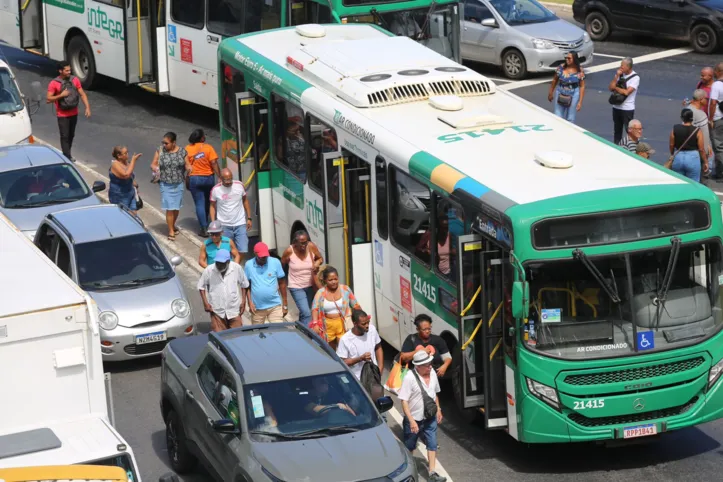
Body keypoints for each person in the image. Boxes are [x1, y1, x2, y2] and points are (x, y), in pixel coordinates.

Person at [398, 350, 445, 482]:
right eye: (426, 364)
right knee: (410, 446)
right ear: (418, 366)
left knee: (432, 443)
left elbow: (435, 394)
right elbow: (404, 401)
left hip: (430, 417)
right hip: (414, 419)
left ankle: (432, 473)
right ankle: (409, 473)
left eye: (430, 363)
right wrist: (411, 421)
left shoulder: (433, 375)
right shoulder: (409, 378)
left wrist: (439, 409)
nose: (430, 366)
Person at [46, 61, 91, 161]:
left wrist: (87, 107)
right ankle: (67, 157)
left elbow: (82, 94)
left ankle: (67, 154)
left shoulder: (75, 80)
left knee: (71, 135)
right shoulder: (54, 83)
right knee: (64, 136)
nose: (69, 72)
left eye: (69, 70)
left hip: (74, 113)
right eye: (66, 70)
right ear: (60, 71)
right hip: (62, 115)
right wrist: (61, 95)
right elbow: (48, 99)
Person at [197, 249, 249, 332]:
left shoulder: (236, 268)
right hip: (217, 310)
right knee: (220, 338)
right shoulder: (209, 270)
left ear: (228, 261)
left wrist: (243, 302)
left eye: (222, 263)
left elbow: (244, 284)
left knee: (237, 336)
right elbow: (201, 287)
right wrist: (205, 303)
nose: (219, 265)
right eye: (218, 263)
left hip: (234, 310)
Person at [311, 266, 361, 350]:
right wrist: (315, 324)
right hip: (327, 326)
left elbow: (356, 305)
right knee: (331, 351)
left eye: (335, 279)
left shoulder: (345, 289)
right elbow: (315, 308)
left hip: (343, 325)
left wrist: (361, 318)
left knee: (344, 349)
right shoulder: (320, 293)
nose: (334, 282)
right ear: (325, 281)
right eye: (330, 280)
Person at [151, 132, 190, 241]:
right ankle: (171, 230)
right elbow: (153, 163)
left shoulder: (182, 152)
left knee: (176, 207)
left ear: (174, 143)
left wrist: (189, 168)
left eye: (166, 143)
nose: (164, 145)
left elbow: (187, 164)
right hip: (165, 183)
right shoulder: (160, 151)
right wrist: (155, 168)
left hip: (178, 183)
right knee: (169, 207)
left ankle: (172, 224)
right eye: (163, 142)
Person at [281, 230, 323, 327]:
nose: (304, 245)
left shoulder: (311, 246)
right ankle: (307, 336)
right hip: (296, 287)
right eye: (302, 243)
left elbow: (320, 258)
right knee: (307, 312)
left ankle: (300, 330)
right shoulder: (289, 251)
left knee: (305, 312)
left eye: (306, 242)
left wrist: (317, 263)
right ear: (295, 243)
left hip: (311, 285)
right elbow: (282, 265)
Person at [210, 168, 253, 263]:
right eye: (226, 180)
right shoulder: (216, 190)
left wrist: (249, 218)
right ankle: (229, 268)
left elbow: (245, 200)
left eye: (230, 179)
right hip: (224, 225)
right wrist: (213, 222)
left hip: (240, 223)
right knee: (225, 251)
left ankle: (234, 266)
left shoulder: (239, 185)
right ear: (221, 178)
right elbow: (212, 206)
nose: (229, 182)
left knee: (243, 249)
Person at [186, 128, 221, 237]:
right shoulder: (208, 148)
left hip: (194, 178)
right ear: (201, 138)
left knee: (199, 203)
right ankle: (210, 223)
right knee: (209, 202)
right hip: (208, 178)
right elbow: (214, 162)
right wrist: (220, 176)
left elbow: (185, 165)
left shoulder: (187, 149)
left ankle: (204, 228)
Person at [245, 242, 288, 324]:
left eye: (266, 256)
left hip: (275, 306)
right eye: (262, 257)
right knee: (258, 334)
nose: (264, 258)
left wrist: (285, 304)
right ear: (255, 254)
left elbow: (282, 283)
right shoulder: (248, 265)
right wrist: (249, 302)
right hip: (257, 308)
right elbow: (247, 286)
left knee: (278, 332)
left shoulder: (275, 262)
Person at [336, 309, 383, 381]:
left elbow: (378, 348)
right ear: (355, 324)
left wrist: (380, 368)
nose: (367, 326)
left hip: (373, 376)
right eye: (363, 324)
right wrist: (360, 358)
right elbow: (343, 362)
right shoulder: (345, 339)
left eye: (368, 322)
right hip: (357, 380)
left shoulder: (372, 330)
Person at [670, 109, 708, 182]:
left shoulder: (675, 128)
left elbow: (671, 144)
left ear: (682, 118)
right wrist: (705, 161)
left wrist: (672, 154)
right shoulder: (697, 130)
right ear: (692, 118)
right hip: (693, 158)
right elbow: (701, 149)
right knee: (693, 183)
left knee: (678, 182)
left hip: (678, 156)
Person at [547, 51, 585, 124]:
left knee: (570, 118)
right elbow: (555, 80)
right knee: (557, 117)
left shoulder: (580, 70)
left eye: (569, 58)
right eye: (566, 58)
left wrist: (580, 102)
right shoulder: (561, 67)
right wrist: (550, 92)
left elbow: (582, 86)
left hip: (574, 94)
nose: (567, 59)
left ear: (574, 59)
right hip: (561, 91)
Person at [608, 57, 640, 145]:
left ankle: (633, 148)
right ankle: (617, 147)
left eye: (622, 66)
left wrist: (616, 88)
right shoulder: (619, 74)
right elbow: (610, 87)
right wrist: (617, 76)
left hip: (627, 109)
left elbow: (626, 92)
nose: (620, 67)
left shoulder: (635, 78)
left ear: (628, 67)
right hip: (616, 107)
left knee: (629, 131)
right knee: (617, 131)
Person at [416, 212, 455, 276]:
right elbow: (417, 250)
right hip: (432, 273)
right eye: (443, 228)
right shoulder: (428, 235)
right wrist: (426, 252)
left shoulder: (449, 235)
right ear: (438, 227)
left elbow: (451, 250)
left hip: (447, 273)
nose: (445, 230)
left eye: (447, 227)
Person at [108, 146, 141, 215]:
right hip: (120, 195)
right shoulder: (115, 164)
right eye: (125, 153)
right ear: (119, 156)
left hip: (130, 192)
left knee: (134, 213)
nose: (127, 155)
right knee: (123, 215)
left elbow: (130, 176)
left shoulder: (126, 163)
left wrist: (135, 186)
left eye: (127, 152)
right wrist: (133, 161)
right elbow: (126, 175)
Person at [689, 89, 714, 174]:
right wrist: (704, 148)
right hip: (698, 151)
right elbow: (693, 132)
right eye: (706, 99)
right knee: (701, 176)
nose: (707, 101)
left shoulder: (694, 110)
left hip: (699, 150)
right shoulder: (696, 113)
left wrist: (708, 145)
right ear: (701, 99)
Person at [708, 62, 723, 179]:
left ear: (718, 72)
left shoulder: (717, 85)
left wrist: (710, 119)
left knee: (718, 146)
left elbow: (713, 103)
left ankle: (720, 172)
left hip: (719, 118)